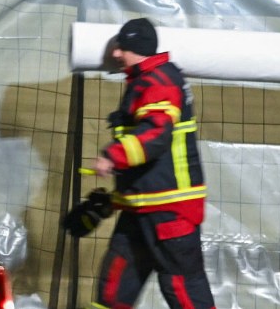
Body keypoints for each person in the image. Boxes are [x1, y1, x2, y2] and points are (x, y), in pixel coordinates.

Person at [90, 18, 215, 309]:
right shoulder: (148, 80)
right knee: (113, 290)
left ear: (137, 48)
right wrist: (113, 201)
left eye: (121, 47)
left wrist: (112, 156)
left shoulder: (158, 81)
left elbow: (156, 135)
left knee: (182, 288)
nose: (115, 54)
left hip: (169, 210)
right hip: (142, 207)